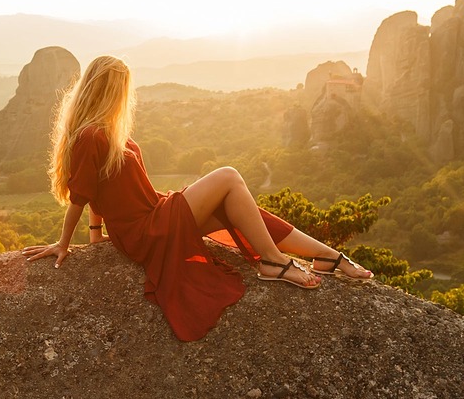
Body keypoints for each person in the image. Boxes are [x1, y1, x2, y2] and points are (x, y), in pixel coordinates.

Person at [22, 55, 372, 341]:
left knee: (239, 208)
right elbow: (81, 196)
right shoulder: (90, 136)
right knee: (229, 176)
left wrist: (97, 235)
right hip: (147, 230)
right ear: (108, 89)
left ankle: (328, 257)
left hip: (155, 214)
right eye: (121, 89)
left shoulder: (105, 133)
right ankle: (273, 262)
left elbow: (100, 191)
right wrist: (64, 244)